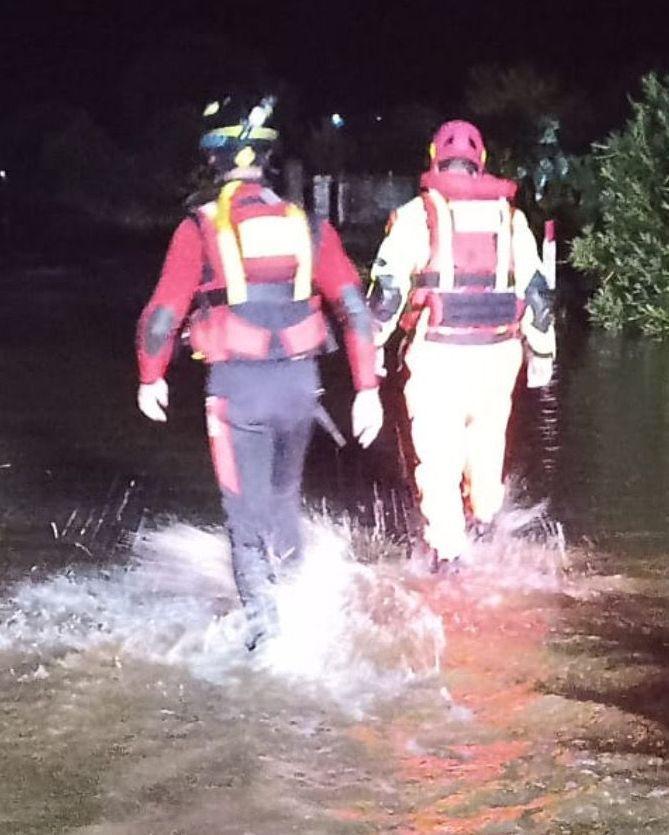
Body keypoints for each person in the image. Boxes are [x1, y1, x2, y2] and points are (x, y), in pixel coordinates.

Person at [136, 95, 383, 648]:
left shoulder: (199, 229)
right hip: (301, 389)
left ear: (215, 165)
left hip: (238, 393)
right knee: (283, 501)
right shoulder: (307, 227)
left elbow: (162, 318)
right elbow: (355, 309)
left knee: (245, 526)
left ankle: (269, 647)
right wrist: (367, 389)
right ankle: (309, 623)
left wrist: (152, 376)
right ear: (265, 164)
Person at [367, 119, 555, 571]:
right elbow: (538, 295)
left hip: (439, 356)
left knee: (438, 458)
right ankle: (487, 528)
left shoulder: (416, 215)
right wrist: (543, 354)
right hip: (498, 358)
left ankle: (450, 559)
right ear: (481, 162)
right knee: (488, 447)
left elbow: (387, 294)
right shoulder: (512, 219)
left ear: (435, 158)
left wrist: (370, 350)